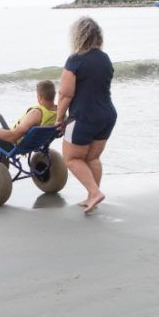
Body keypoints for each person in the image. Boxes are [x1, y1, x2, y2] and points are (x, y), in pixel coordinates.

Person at [55, 17, 117, 214]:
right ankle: (92, 197)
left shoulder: (75, 60)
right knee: (93, 158)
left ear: (77, 35)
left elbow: (65, 94)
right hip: (107, 116)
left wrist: (59, 118)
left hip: (84, 117)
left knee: (71, 159)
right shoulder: (105, 58)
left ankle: (95, 193)